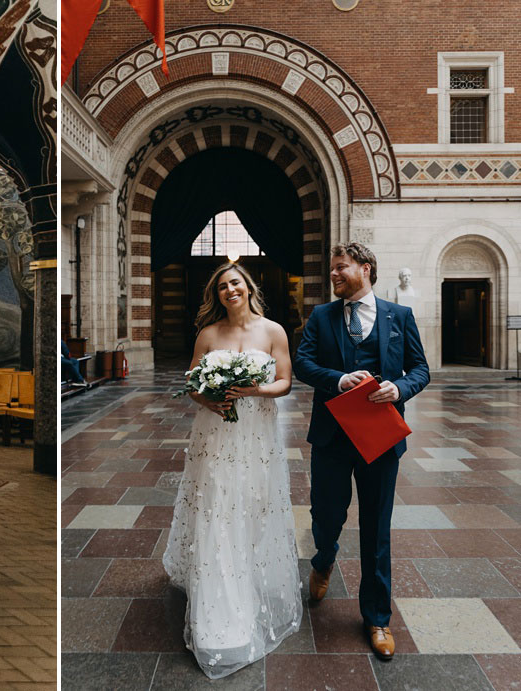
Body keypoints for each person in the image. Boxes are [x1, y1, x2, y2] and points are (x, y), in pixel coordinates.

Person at [163, 262, 301, 679]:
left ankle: (253, 574)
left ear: (248, 286)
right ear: (216, 294)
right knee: (217, 506)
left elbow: (285, 381)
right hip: (214, 433)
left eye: (235, 283)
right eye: (222, 286)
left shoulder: (272, 330)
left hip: (256, 434)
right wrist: (211, 401)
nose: (229, 290)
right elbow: (191, 382)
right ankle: (217, 599)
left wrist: (253, 390)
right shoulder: (208, 334)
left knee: (254, 503)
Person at [293, 243, 428, 661]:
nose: (333, 274)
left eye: (340, 268)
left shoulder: (399, 316)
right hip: (332, 439)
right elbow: (302, 363)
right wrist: (338, 379)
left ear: (364, 269)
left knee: (376, 529)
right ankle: (324, 558)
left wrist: (399, 388)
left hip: (380, 439)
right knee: (326, 515)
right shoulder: (321, 316)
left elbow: (421, 369)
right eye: (332, 268)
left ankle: (377, 618)